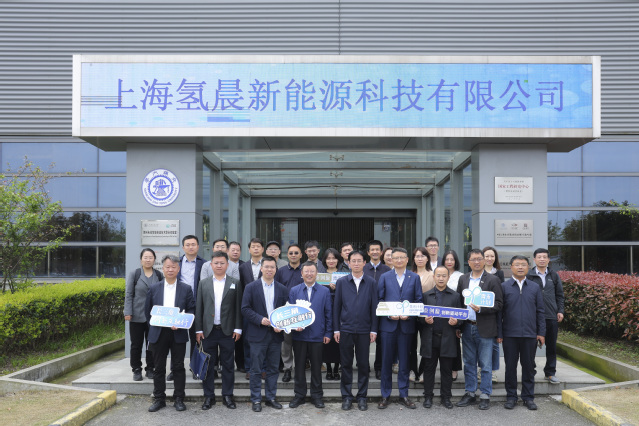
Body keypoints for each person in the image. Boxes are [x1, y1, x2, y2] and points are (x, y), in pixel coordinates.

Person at [145, 254, 196, 413]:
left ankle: (179, 398)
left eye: (174, 267)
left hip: (178, 333)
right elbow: (148, 311)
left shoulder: (186, 288)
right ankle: (159, 399)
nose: (170, 269)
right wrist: (158, 322)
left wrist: (180, 322)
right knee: (158, 368)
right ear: (163, 268)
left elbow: (191, 309)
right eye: (167, 267)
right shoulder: (154, 288)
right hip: (159, 333)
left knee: (179, 367)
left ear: (178, 269)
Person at [194, 251, 243, 410]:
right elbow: (199, 308)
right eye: (216, 263)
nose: (219, 266)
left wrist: (238, 328)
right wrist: (198, 329)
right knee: (208, 365)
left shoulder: (235, 282)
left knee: (228, 365)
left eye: (222, 263)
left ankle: (228, 395)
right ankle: (209, 396)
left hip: (228, 331)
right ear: (211, 265)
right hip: (208, 331)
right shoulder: (204, 283)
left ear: (227, 265)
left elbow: (238, 307)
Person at [456, 249, 503, 410]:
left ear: (483, 261)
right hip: (467, 326)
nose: (477, 262)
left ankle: (485, 394)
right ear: (468, 262)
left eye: (479, 259)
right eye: (473, 259)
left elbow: (499, 304)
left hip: (485, 328)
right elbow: (459, 303)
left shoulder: (493, 279)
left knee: (486, 364)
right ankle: (470, 393)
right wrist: (458, 325)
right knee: (469, 363)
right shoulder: (463, 279)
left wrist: (481, 309)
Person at [241, 256, 288, 412]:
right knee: (255, 369)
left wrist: (281, 325)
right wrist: (260, 319)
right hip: (257, 334)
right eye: (266, 266)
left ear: (276, 269)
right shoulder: (251, 287)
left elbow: (285, 311)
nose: (269, 269)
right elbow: (245, 309)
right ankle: (256, 399)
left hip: (275, 335)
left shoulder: (282, 289)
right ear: (261, 268)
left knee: (273, 369)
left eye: (272, 267)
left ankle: (271, 398)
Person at [377, 248, 423, 409]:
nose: (398, 260)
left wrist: (409, 315)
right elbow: (380, 300)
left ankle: (404, 394)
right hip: (388, 326)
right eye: (395, 257)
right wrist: (389, 314)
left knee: (404, 362)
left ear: (407, 259)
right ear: (391, 259)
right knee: (386, 362)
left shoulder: (414, 277)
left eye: (401, 257)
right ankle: (385, 395)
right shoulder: (384, 277)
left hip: (406, 326)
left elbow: (418, 300)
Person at [499, 255, 546, 411]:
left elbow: (540, 311)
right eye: (517, 264)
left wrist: (541, 332)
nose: (520, 267)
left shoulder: (534, 287)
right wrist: (499, 333)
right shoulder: (504, 287)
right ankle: (511, 397)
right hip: (509, 335)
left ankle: (528, 397)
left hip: (529, 334)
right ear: (511, 267)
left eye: (523, 264)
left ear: (528, 267)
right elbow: (499, 313)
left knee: (528, 367)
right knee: (510, 367)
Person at [333, 250, 378, 411]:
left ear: (364, 263)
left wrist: (374, 329)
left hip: (365, 330)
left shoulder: (371, 282)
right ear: (349, 263)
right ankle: (346, 397)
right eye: (354, 261)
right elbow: (336, 307)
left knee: (364, 365)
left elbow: (374, 307)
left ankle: (362, 397)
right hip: (346, 329)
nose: (357, 263)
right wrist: (336, 329)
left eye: (360, 261)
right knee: (345, 364)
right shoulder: (342, 282)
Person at [288, 261, 333, 409]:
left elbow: (328, 313)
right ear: (301, 274)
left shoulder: (324, 291)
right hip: (299, 336)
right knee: (299, 367)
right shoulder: (294, 290)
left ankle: (317, 395)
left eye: (312, 271)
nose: (309, 274)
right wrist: (294, 326)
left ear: (316, 274)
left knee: (316, 367)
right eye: (306, 271)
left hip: (317, 335)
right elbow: (290, 313)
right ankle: (299, 395)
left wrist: (328, 332)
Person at [421, 266, 463, 409]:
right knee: (429, 369)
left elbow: (462, 316)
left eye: (444, 276)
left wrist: (457, 322)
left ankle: (446, 397)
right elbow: (419, 317)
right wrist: (424, 320)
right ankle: (428, 396)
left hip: (448, 339)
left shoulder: (455, 296)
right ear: (434, 277)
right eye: (438, 275)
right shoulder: (426, 295)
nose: (441, 278)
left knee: (446, 370)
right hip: (430, 338)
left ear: (448, 277)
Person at [527, 248, 565, 385]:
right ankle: (530, 371)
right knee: (530, 346)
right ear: (534, 259)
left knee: (551, 346)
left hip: (551, 316)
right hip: (532, 317)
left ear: (548, 260)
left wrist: (560, 310)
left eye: (544, 257)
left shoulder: (554, 275)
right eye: (539, 257)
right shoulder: (529, 275)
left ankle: (550, 373)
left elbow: (560, 295)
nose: (542, 259)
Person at [124, 248, 163, 381]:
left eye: (150, 257)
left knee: (151, 343)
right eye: (145, 257)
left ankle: (150, 368)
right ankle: (136, 369)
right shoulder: (135, 274)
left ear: (154, 260)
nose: (148, 260)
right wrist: (128, 312)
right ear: (141, 259)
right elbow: (129, 294)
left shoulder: (158, 275)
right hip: (137, 315)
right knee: (136, 344)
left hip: (154, 316)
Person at [170, 235, 204, 382]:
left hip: (198, 306)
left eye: (193, 244)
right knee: (176, 340)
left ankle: (195, 369)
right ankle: (175, 369)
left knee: (197, 339)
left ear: (198, 247)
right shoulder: (176, 263)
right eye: (188, 244)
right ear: (183, 247)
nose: (191, 247)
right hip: (179, 306)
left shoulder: (204, 264)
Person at [274, 243, 304, 383]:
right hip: (285, 312)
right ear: (287, 255)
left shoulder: (305, 270)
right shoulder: (281, 271)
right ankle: (287, 369)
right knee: (286, 343)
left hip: (301, 312)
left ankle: (300, 369)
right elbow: (276, 289)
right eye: (291, 253)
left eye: (296, 253)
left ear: (301, 255)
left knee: (301, 342)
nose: (293, 255)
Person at [363, 240, 391, 380]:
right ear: (368, 252)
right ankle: (365, 366)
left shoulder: (387, 270)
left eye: (377, 250)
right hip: (364, 310)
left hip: (382, 310)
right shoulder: (362, 269)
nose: (374, 252)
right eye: (372, 250)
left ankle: (379, 367)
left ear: (381, 252)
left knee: (381, 341)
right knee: (364, 340)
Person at [238, 237, 265, 377]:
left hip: (265, 308)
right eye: (253, 246)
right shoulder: (243, 267)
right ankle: (249, 368)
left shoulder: (268, 265)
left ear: (262, 249)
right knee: (248, 339)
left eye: (258, 246)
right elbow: (241, 287)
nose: (255, 248)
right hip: (248, 309)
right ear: (249, 250)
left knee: (265, 340)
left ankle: (263, 368)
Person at [409, 247, 434, 383]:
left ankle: (423, 370)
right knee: (411, 344)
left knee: (426, 343)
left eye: (422, 256)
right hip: (411, 314)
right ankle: (412, 370)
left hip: (427, 314)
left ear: (427, 258)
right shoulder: (408, 274)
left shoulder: (432, 275)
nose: (420, 258)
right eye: (417, 256)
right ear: (413, 259)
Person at [483, 246, 505, 384]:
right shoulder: (477, 272)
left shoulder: (499, 273)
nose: (489, 258)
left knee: (495, 343)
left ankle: (493, 371)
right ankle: (482, 369)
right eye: (487, 256)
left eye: (492, 256)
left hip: (495, 311)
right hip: (480, 311)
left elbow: (500, 293)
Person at [442, 249, 463, 381]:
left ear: (456, 261)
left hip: (454, 313)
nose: (449, 262)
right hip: (439, 313)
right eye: (447, 259)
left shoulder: (461, 276)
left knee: (454, 343)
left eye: (452, 259)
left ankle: (454, 370)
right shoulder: (439, 273)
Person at [322, 248, 342, 380]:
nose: (331, 261)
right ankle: (328, 368)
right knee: (327, 341)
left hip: (340, 312)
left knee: (339, 341)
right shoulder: (320, 275)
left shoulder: (343, 275)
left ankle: (336, 368)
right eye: (328, 258)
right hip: (324, 311)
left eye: (334, 258)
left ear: (338, 260)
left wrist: (337, 288)